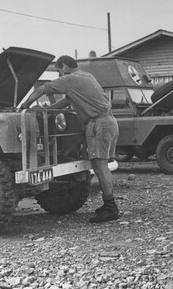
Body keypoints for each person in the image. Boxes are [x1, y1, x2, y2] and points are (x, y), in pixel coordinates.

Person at [21, 55, 120, 223]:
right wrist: (46, 110)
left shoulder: (70, 79)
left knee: (100, 165)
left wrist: (23, 107)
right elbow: (66, 102)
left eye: (59, 71)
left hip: (98, 125)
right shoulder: (86, 76)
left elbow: (41, 90)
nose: (59, 75)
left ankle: (110, 207)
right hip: (108, 122)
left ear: (64, 66)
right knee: (99, 165)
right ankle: (109, 205)